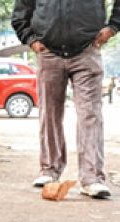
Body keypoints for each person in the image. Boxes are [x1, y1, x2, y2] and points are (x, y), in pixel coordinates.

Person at [12, 0, 120, 199]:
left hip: (87, 51)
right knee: (49, 113)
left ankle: (92, 178)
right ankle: (49, 170)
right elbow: (20, 13)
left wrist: (113, 27)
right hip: (48, 52)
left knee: (90, 115)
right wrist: (31, 40)